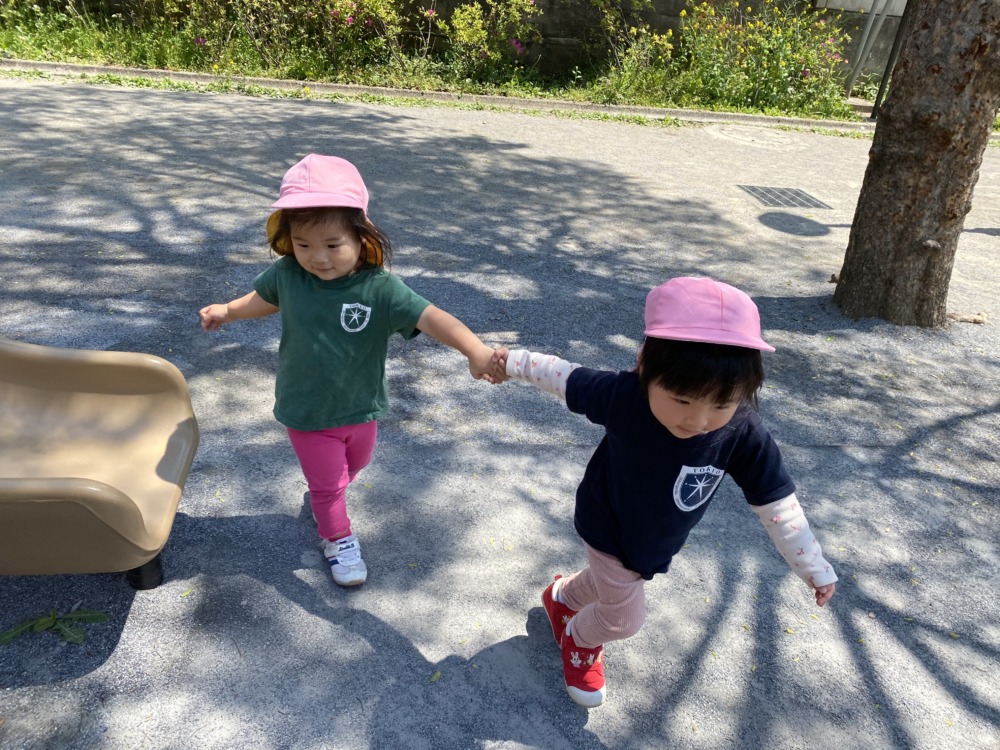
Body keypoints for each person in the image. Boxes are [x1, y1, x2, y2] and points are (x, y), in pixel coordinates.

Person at [495, 276, 837, 708]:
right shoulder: (625, 396)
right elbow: (562, 375)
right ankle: (578, 639)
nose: (698, 420)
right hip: (609, 524)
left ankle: (561, 597)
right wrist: (508, 362)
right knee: (623, 617)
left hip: (655, 538)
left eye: (721, 403)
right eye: (682, 400)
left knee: (616, 582)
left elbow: (776, 502)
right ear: (645, 368)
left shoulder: (743, 430)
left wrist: (813, 565)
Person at [200, 154, 506, 587]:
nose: (317, 258)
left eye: (332, 245)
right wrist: (228, 311)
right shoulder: (289, 274)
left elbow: (431, 317)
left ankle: (327, 497)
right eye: (303, 245)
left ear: (362, 237)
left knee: (352, 467)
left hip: (362, 408)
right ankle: (337, 538)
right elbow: (264, 299)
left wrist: (475, 351)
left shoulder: (379, 288)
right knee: (329, 487)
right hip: (307, 410)